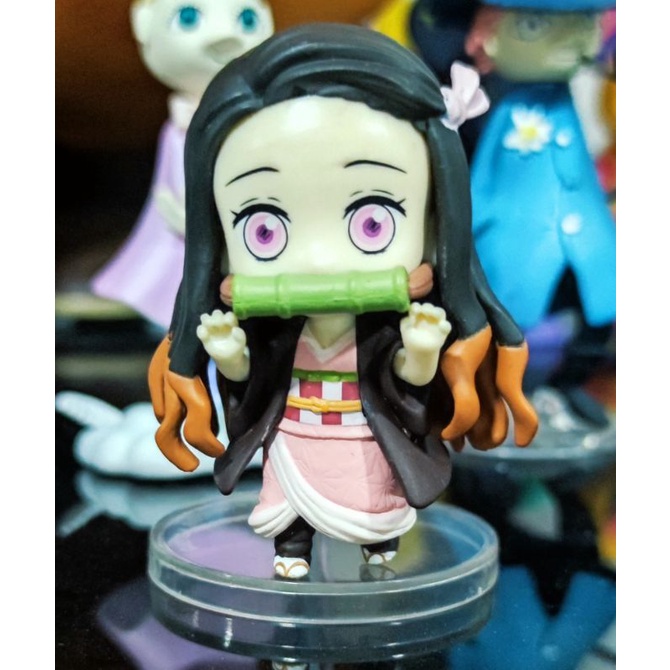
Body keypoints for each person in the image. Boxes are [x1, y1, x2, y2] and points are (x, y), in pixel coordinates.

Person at [148, 23, 538, 579]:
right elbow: (251, 383)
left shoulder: (386, 327)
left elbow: (405, 383)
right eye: (263, 229)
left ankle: (376, 544)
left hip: (361, 433)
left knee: (372, 492)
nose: (320, 261)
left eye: (373, 221)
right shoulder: (273, 330)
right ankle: (293, 549)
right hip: (296, 431)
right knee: (289, 497)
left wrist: (422, 351)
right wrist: (230, 355)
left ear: (433, 223)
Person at [464, 0, 616, 419]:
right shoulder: (508, 111)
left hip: (587, 241)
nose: (568, 40)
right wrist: (468, 229)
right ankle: (503, 392)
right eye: (535, 24)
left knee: (595, 312)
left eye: (583, 23)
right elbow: (484, 181)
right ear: (487, 36)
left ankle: (569, 386)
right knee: (510, 321)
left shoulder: (564, 103)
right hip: (519, 245)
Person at [91, 0, 275, 328]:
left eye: (247, 19)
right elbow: (173, 176)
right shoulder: (179, 130)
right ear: (144, 25)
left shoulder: (258, 124)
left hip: (249, 235)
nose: (224, 35)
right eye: (189, 18)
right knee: (181, 291)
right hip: (189, 233)